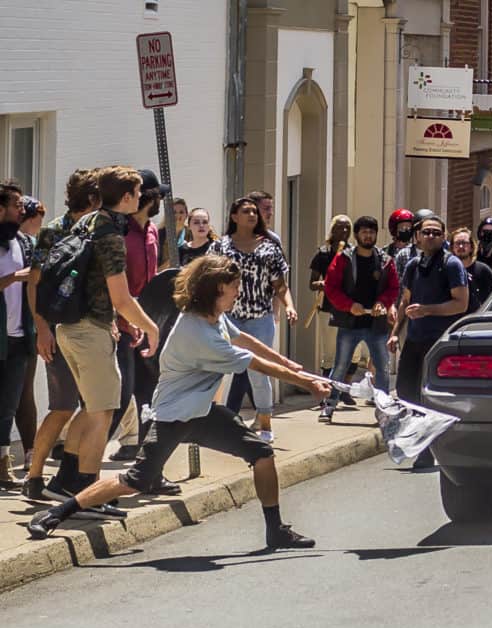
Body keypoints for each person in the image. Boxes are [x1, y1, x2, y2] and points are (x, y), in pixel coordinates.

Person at [27, 255, 331, 547]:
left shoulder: (215, 318)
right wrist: (309, 383)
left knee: (262, 454)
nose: (238, 291)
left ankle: (275, 530)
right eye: (235, 286)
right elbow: (255, 363)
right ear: (217, 288)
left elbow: (244, 340)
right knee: (134, 480)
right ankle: (56, 513)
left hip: (202, 411)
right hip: (174, 416)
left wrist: (291, 365)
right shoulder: (198, 332)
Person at [42, 166, 162, 516]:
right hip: (89, 331)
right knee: (103, 413)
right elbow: (122, 297)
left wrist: (115, 320)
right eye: (138, 194)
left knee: (92, 409)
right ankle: (89, 496)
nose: (141, 199)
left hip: (72, 327)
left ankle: (66, 484)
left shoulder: (88, 222)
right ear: (126, 198)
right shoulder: (110, 234)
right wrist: (151, 327)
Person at [22, 170, 100, 501]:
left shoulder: (100, 229)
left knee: (95, 405)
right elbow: (35, 282)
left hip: (91, 330)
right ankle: (35, 475)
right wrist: (41, 328)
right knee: (63, 406)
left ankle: (79, 476)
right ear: (93, 198)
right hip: (58, 329)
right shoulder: (54, 231)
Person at [210, 196, 297, 443]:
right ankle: (212, 420)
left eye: (254, 212)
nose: (251, 215)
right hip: (228, 317)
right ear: (234, 216)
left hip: (259, 318)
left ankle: (265, 423)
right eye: (245, 211)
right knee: (216, 369)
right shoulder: (220, 247)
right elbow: (206, 276)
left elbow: (280, 285)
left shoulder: (269, 248)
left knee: (259, 373)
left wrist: (289, 306)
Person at [387, 214, 468, 469]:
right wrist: (395, 332)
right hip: (415, 338)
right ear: (418, 236)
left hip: (440, 342)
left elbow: (461, 304)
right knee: (406, 392)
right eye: (426, 232)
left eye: (436, 233)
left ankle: (429, 450)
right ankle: (423, 443)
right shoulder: (412, 265)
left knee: (430, 397)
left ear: (444, 237)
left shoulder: (452, 265)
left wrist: (428, 310)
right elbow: (405, 301)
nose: (431, 236)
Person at [106, 170, 169, 473]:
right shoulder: (120, 233)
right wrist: (124, 320)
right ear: (149, 199)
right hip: (120, 324)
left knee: (149, 393)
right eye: (159, 196)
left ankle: (148, 468)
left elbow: (154, 278)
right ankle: (80, 465)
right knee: (120, 393)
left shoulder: (153, 232)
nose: (161, 202)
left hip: (146, 323)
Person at [320, 216, 398, 421]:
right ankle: (328, 406)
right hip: (350, 323)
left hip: (376, 324)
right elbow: (331, 287)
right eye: (364, 232)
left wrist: (382, 302)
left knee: (382, 368)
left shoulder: (385, 261)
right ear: (357, 235)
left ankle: (383, 410)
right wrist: (348, 305)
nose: (368, 235)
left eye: (371, 232)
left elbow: (393, 288)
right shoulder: (343, 258)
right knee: (340, 366)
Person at [0, 180, 32, 488]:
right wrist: (12, 278)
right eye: (16, 206)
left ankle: (3, 463)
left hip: (19, 337)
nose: (21, 211)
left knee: (9, 404)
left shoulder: (23, 242)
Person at [310, 214, 356, 406]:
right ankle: (327, 392)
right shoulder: (323, 253)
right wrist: (325, 284)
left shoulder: (355, 253)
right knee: (329, 354)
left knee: (353, 353)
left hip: (350, 309)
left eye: (347, 228)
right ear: (332, 230)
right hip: (329, 307)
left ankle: (344, 388)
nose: (343, 232)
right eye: (340, 228)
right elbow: (312, 284)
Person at [14, 196, 44, 473]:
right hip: (13, 328)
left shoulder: (30, 244)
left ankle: (29, 452)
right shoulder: (13, 242)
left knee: (25, 395)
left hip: (26, 328)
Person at [451, 227, 492, 314]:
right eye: (457, 243)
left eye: (464, 243)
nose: (461, 246)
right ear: (452, 247)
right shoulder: (447, 271)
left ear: (471, 247)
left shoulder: (483, 271)